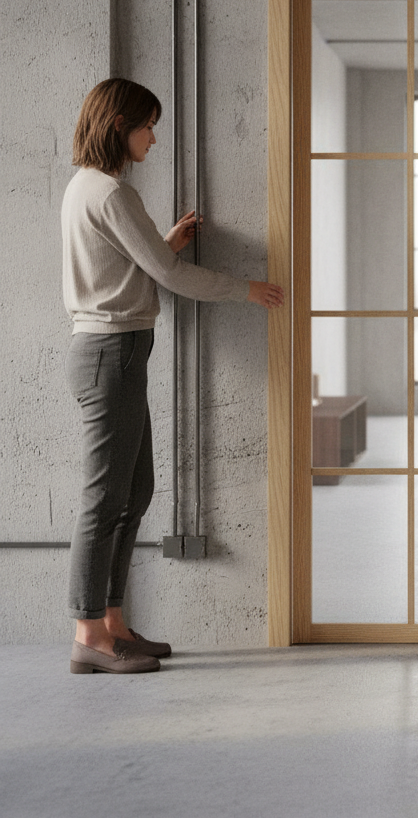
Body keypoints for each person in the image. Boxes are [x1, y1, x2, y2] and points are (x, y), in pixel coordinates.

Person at [62, 78, 285, 674]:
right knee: (104, 497)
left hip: (118, 350)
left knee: (133, 492)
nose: (154, 138)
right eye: (147, 126)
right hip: (113, 352)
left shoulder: (92, 190)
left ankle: (112, 623)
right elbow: (173, 278)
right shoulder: (110, 193)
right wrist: (249, 290)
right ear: (118, 126)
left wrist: (163, 244)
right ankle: (88, 632)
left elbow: (131, 267)